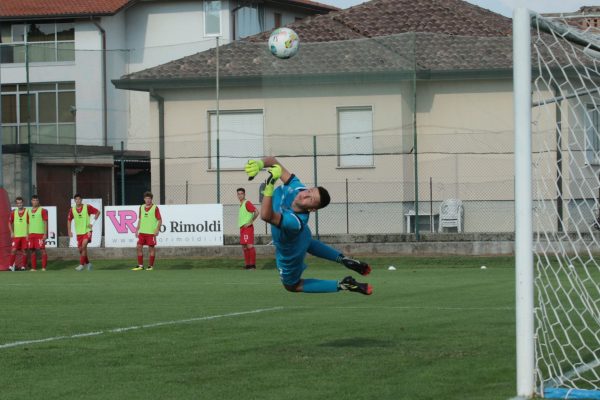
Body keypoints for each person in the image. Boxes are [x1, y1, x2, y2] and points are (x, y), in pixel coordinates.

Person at [244, 156, 373, 295]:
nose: (304, 195)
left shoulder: (295, 221)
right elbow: (273, 161)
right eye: (309, 191)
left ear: (312, 209)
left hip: (291, 251)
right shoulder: (297, 187)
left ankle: (344, 285)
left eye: (310, 199)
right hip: (303, 236)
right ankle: (343, 259)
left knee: (292, 286)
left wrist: (269, 186)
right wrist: (259, 164)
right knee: (307, 242)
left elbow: (266, 215)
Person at [67, 194, 100, 271]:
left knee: (84, 245)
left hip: (87, 231)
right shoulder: (72, 210)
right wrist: (69, 231)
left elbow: (98, 212)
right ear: (74, 200)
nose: (78, 200)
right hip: (79, 233)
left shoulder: (87, 207)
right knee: (81, 250)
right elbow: (68, 220)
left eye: (79, 199)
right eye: (76, 199)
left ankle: (81, 265)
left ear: (81, 200)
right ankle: (88, 263)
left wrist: (92, 223)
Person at [133, 191, 162, 271]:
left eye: (149, 198)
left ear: (151, 199)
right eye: (146, 198)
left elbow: (160, 220)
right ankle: (140, 266)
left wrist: (157, 229)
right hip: (142, 232)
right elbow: (140, 219)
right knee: (139, 247)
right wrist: (136, 229)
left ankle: (150, 266)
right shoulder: (141, 207)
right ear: (144, 199)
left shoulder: (155, 208)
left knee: (151, 249)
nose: (148, 200)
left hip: (151, 233)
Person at [237, 187, 259, 270]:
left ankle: (253, 266)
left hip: (247, 228)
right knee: (244, 247)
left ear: (244, 194)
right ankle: (248, 265)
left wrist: (251, 221)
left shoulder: (247, 203)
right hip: (242, 228)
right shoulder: (241, 204)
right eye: (238, 194)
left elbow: (256, 212)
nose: (240, 195)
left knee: (249, 246)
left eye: (241, 194)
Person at [8, 197, 29, 271]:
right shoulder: (14, 212)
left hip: (24, 235)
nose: (19, 204)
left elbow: (30, 223)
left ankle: (23, 267)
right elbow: (9, 223)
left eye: (20, 203)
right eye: (18, 203)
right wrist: (11, 232)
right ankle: (10, 266)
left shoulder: (27, 212)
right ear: (16, 204)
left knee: (24, 251)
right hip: (16, 236)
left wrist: (28, 233)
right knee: (13, 250)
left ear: (23, 203)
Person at [28, 195, 49, 271]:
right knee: (32, 250)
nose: (35, 202)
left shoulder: (42, 210)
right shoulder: (29, 211)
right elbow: (27, 223)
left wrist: (45, 233)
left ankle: (44, 267)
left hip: (40, 234)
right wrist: (27, 234)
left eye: (36, 200)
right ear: (31, 201)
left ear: (38, 201)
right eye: (33, 200)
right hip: (31, 234)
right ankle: (33, 268)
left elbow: (45, 222)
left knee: (42, 250)